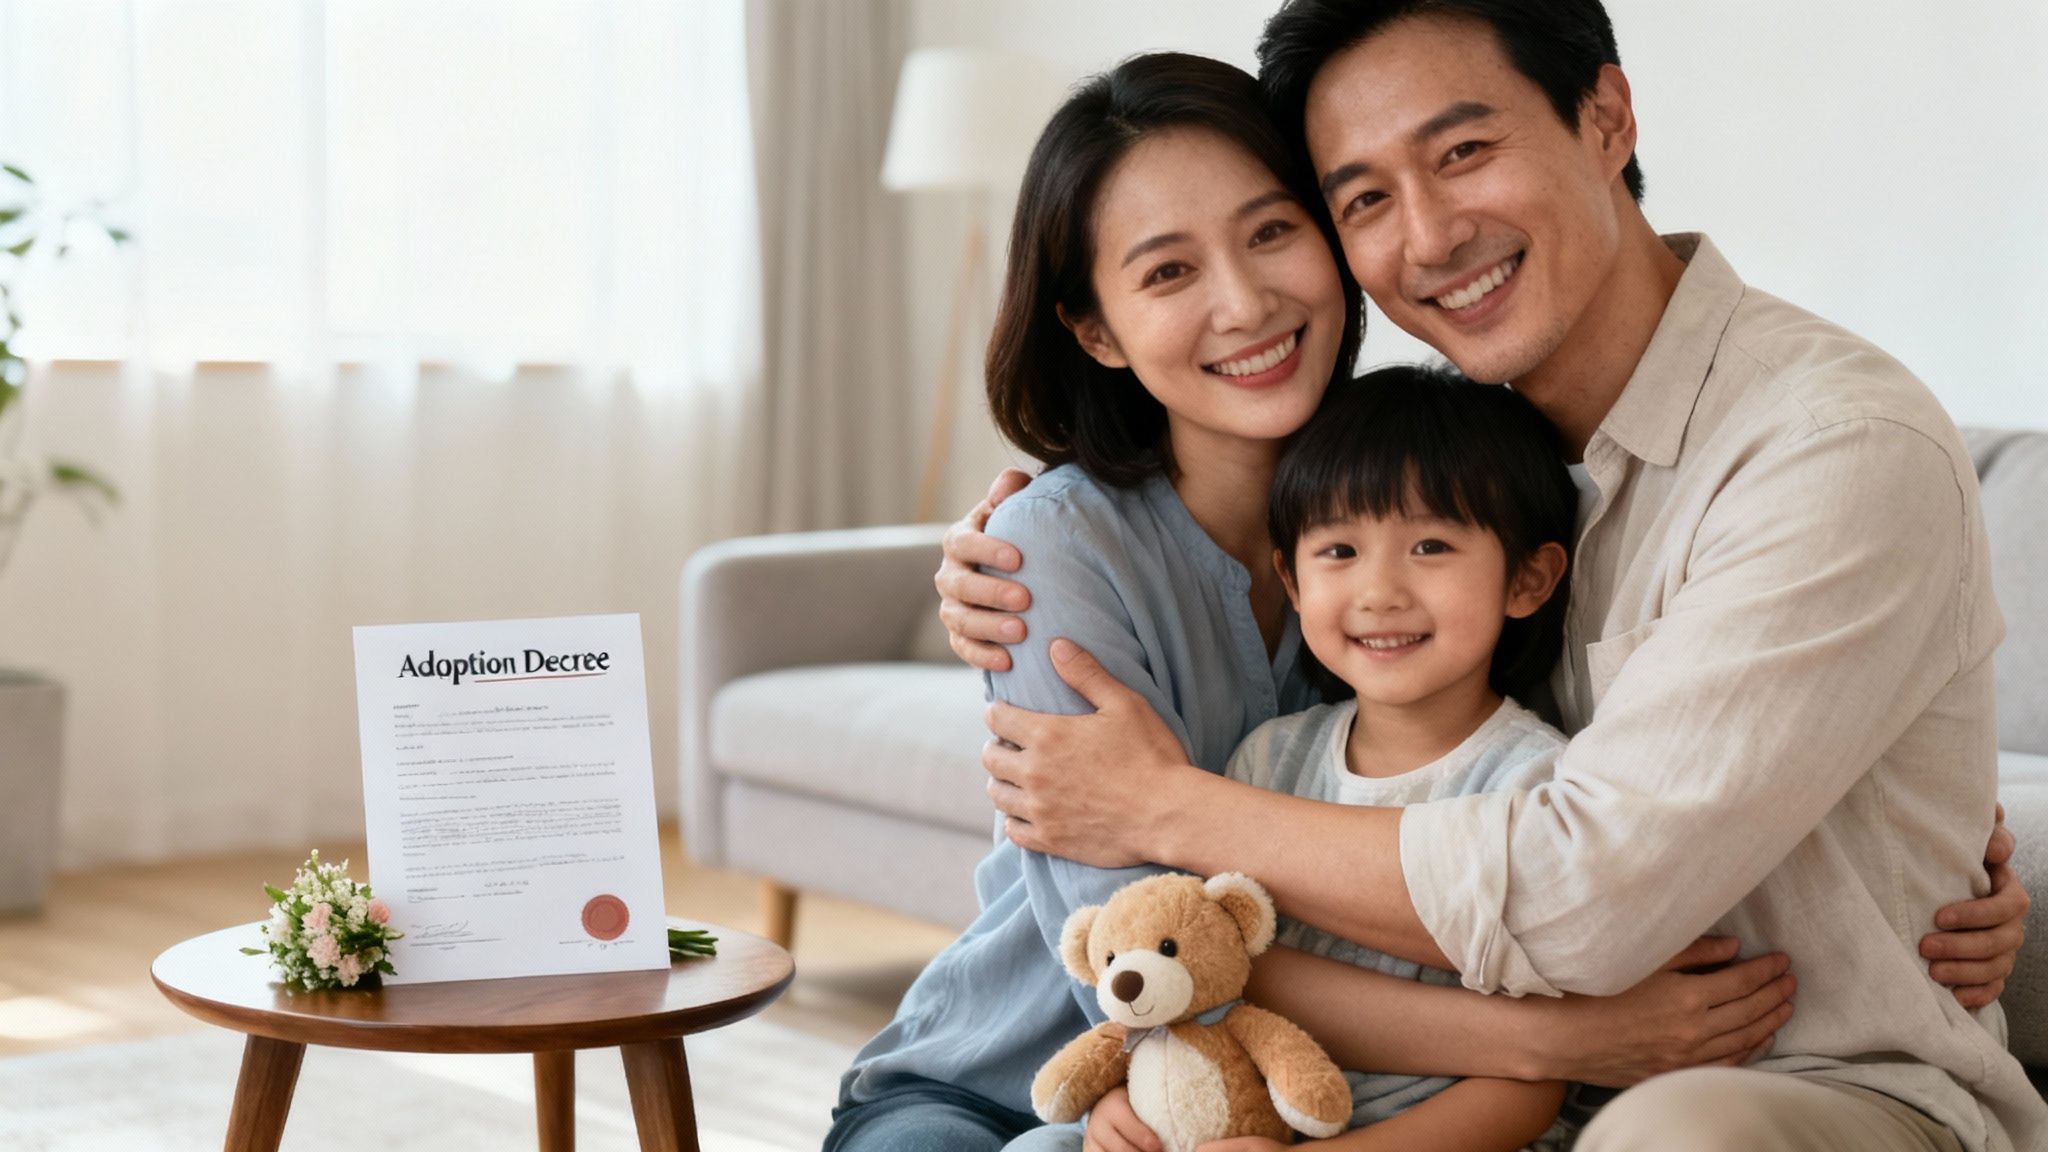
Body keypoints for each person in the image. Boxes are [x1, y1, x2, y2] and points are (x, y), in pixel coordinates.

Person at [943, 3, 2042, 1149]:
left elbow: (1588, 895)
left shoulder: (1827, 447)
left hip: (1800, 1083)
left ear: (1605, 118)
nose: (1424, 238)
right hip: (1451, 1088)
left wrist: (1167, 806)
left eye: (1462, 151)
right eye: (1363, 197)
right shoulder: (1466, 475)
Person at [825, 52, 1804, 1152]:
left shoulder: (1463, 493)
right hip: (1009, 1080)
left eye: (1270, 232)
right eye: (1165, 274)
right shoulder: (1047, 556)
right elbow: (1155, 957)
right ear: (1094, 331)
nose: (1243, 304)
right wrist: (1558, 1042)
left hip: (1320, 1113)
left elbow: (1608, 798)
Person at [1213, 365, 1585, 1152]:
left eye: (1430, 544)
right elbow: (1206, 977)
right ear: (1290, 575)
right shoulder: (1269, 761)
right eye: (1340, 549)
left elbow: (1531, 1080)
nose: (1379, 591)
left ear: (1528, 577)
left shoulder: (1536, 786)